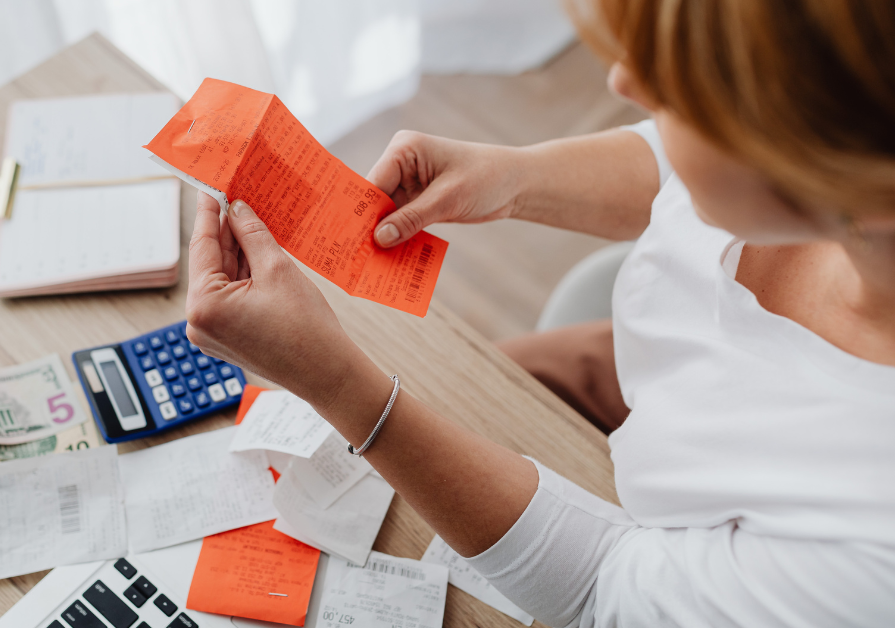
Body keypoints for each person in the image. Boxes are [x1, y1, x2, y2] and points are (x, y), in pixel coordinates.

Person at [184, 0, 895, 625]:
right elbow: (683, 167)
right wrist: (517, 178)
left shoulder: (868, 544)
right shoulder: (838, 158)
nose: (625, 83)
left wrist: (339, 386)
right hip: (640, 379)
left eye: (688, 87)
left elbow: (600, 588)